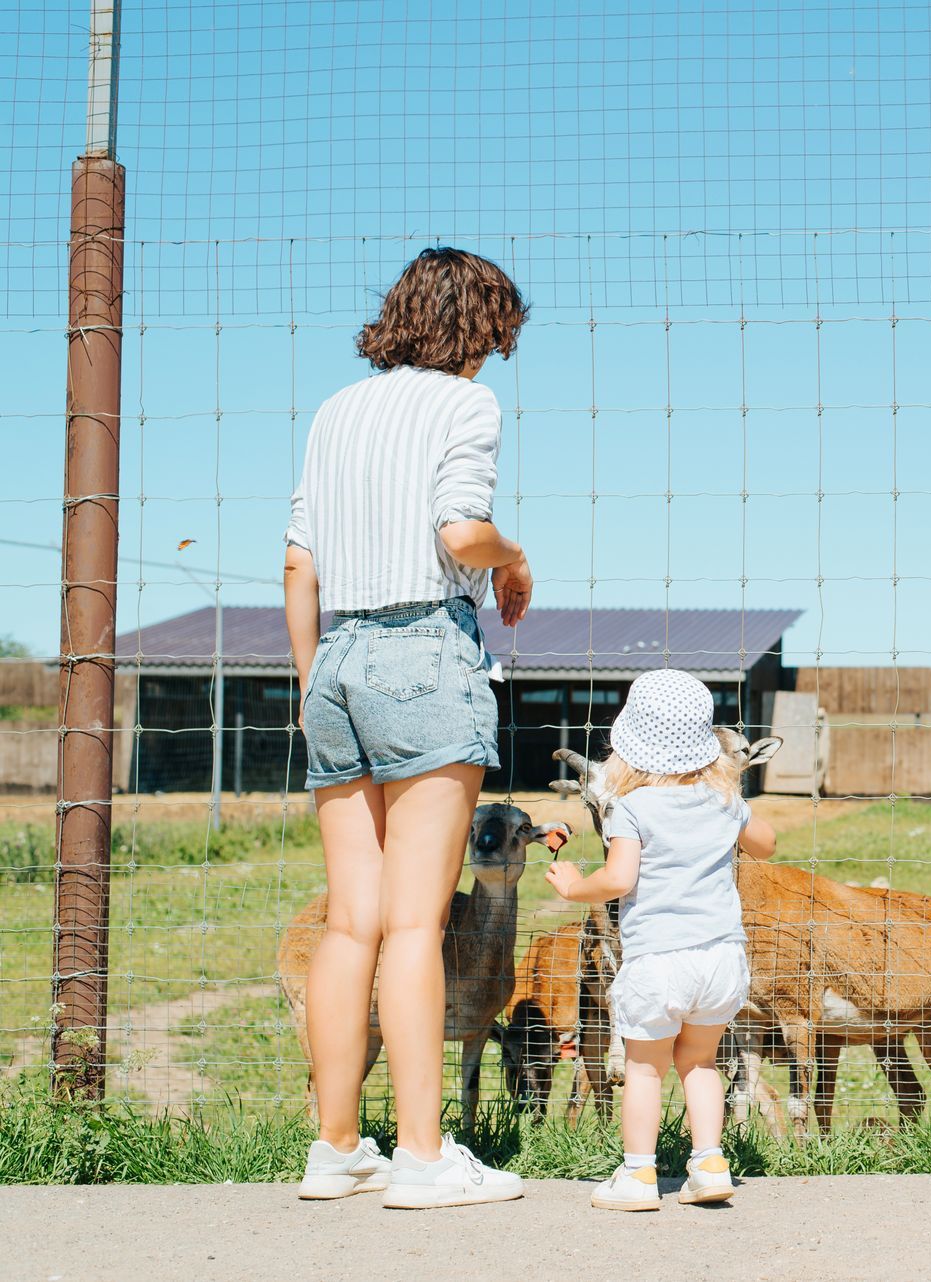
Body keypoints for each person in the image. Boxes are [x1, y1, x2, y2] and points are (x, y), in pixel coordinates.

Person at [285, 247, 535, 1209]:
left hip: (337, 659)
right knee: (415, 923)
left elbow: (299, 563)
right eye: (496, 339)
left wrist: (317, 686)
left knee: (351, 921)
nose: (494, 361)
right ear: (479, 329)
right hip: (424, 650)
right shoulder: (466, 406)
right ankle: (425, 1160)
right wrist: (515, 558)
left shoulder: (337, 411)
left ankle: (338, 1148)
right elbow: (458, 534)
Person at [546, 668, 778, 1211]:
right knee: (700, 1063)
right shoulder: (723, 801)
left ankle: (638, 1175)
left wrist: (576, 886)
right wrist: (734, 804)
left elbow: (619, 879)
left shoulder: (632, 807)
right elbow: (766, 844)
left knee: (645, 1068)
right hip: (721, 959)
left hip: (658, 962)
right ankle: (709, 1164)